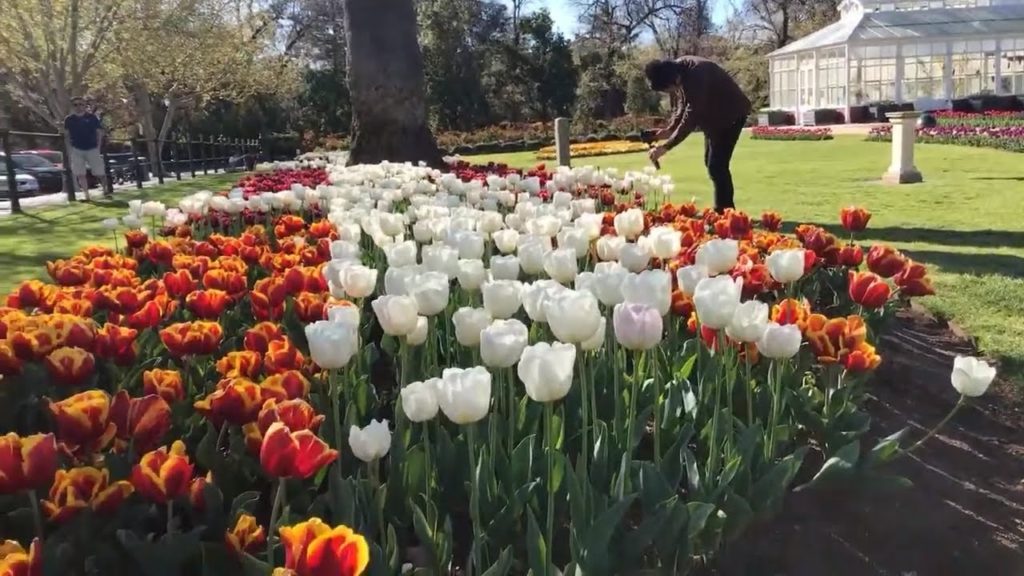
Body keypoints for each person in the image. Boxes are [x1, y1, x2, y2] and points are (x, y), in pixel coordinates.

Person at [645, 57, 751, 213]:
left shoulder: (697, 76)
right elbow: (683, 104)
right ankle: (724, 209)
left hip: (732, 116)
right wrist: (669, 130)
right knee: (712, 164)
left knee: (717, 166)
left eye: (668, 90)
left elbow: (691, 116)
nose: (671, 93)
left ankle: (726, 212)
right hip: (715, 119)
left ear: (673, 81)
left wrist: (666, 147)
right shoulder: (680, 70)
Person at [63, 97, 108, 201]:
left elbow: (99, 133)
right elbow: (66, 135)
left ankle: (106, 190)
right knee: (80, 173)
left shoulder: (92, 118)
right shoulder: (69, 119)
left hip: (92, 148)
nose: (78, 106)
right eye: (75, 105)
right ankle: (87, 196)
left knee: (99, 172)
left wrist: (98, 147)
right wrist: (69, 148)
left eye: (81, 104)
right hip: (77, 149)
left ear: (84, 106)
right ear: (72, 107)